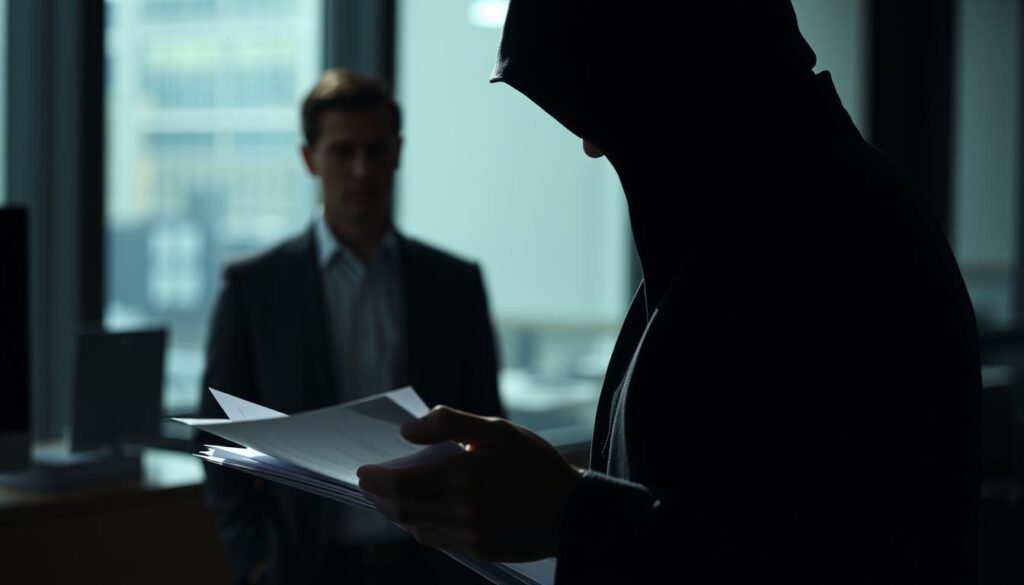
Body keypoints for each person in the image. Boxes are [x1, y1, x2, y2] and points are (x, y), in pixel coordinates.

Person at [357, 1, 982, 583]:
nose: (590, 147)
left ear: (667, 77)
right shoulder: (760, 224)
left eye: (602, 113)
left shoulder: (830, 238)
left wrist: (571, 514)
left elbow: (844, 549)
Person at [197, 68, 502, 584]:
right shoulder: (255, 287)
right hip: (306, 566)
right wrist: (255, 561)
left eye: (376, 150)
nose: (362, 169)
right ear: (309, 159)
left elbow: (484, 419)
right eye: (343, 152)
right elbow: (217, 428)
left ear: (397, 152)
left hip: (433, 564)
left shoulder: (454, 283)